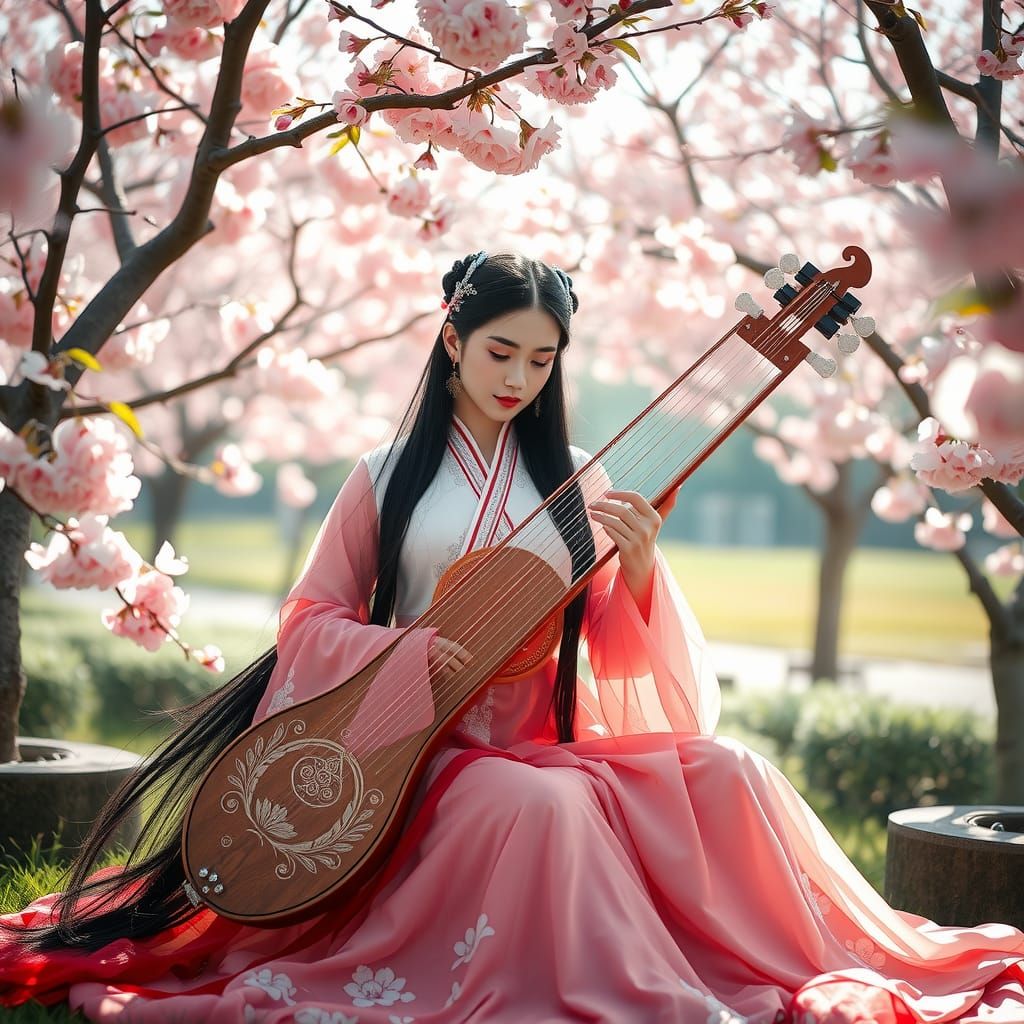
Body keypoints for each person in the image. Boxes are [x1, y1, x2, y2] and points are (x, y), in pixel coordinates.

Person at [1, 251, 1022, 1023]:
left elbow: (622, 649)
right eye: (500, 350)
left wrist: (635, 564)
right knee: (536, 804)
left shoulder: (581, 473)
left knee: (734, 769)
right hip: (412, 751)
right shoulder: (383, 473)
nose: (519, 375)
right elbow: (308, 621)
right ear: (450, 338)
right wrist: (400, 653)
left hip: (547, 737)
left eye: (541, 358)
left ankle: (787, 962)